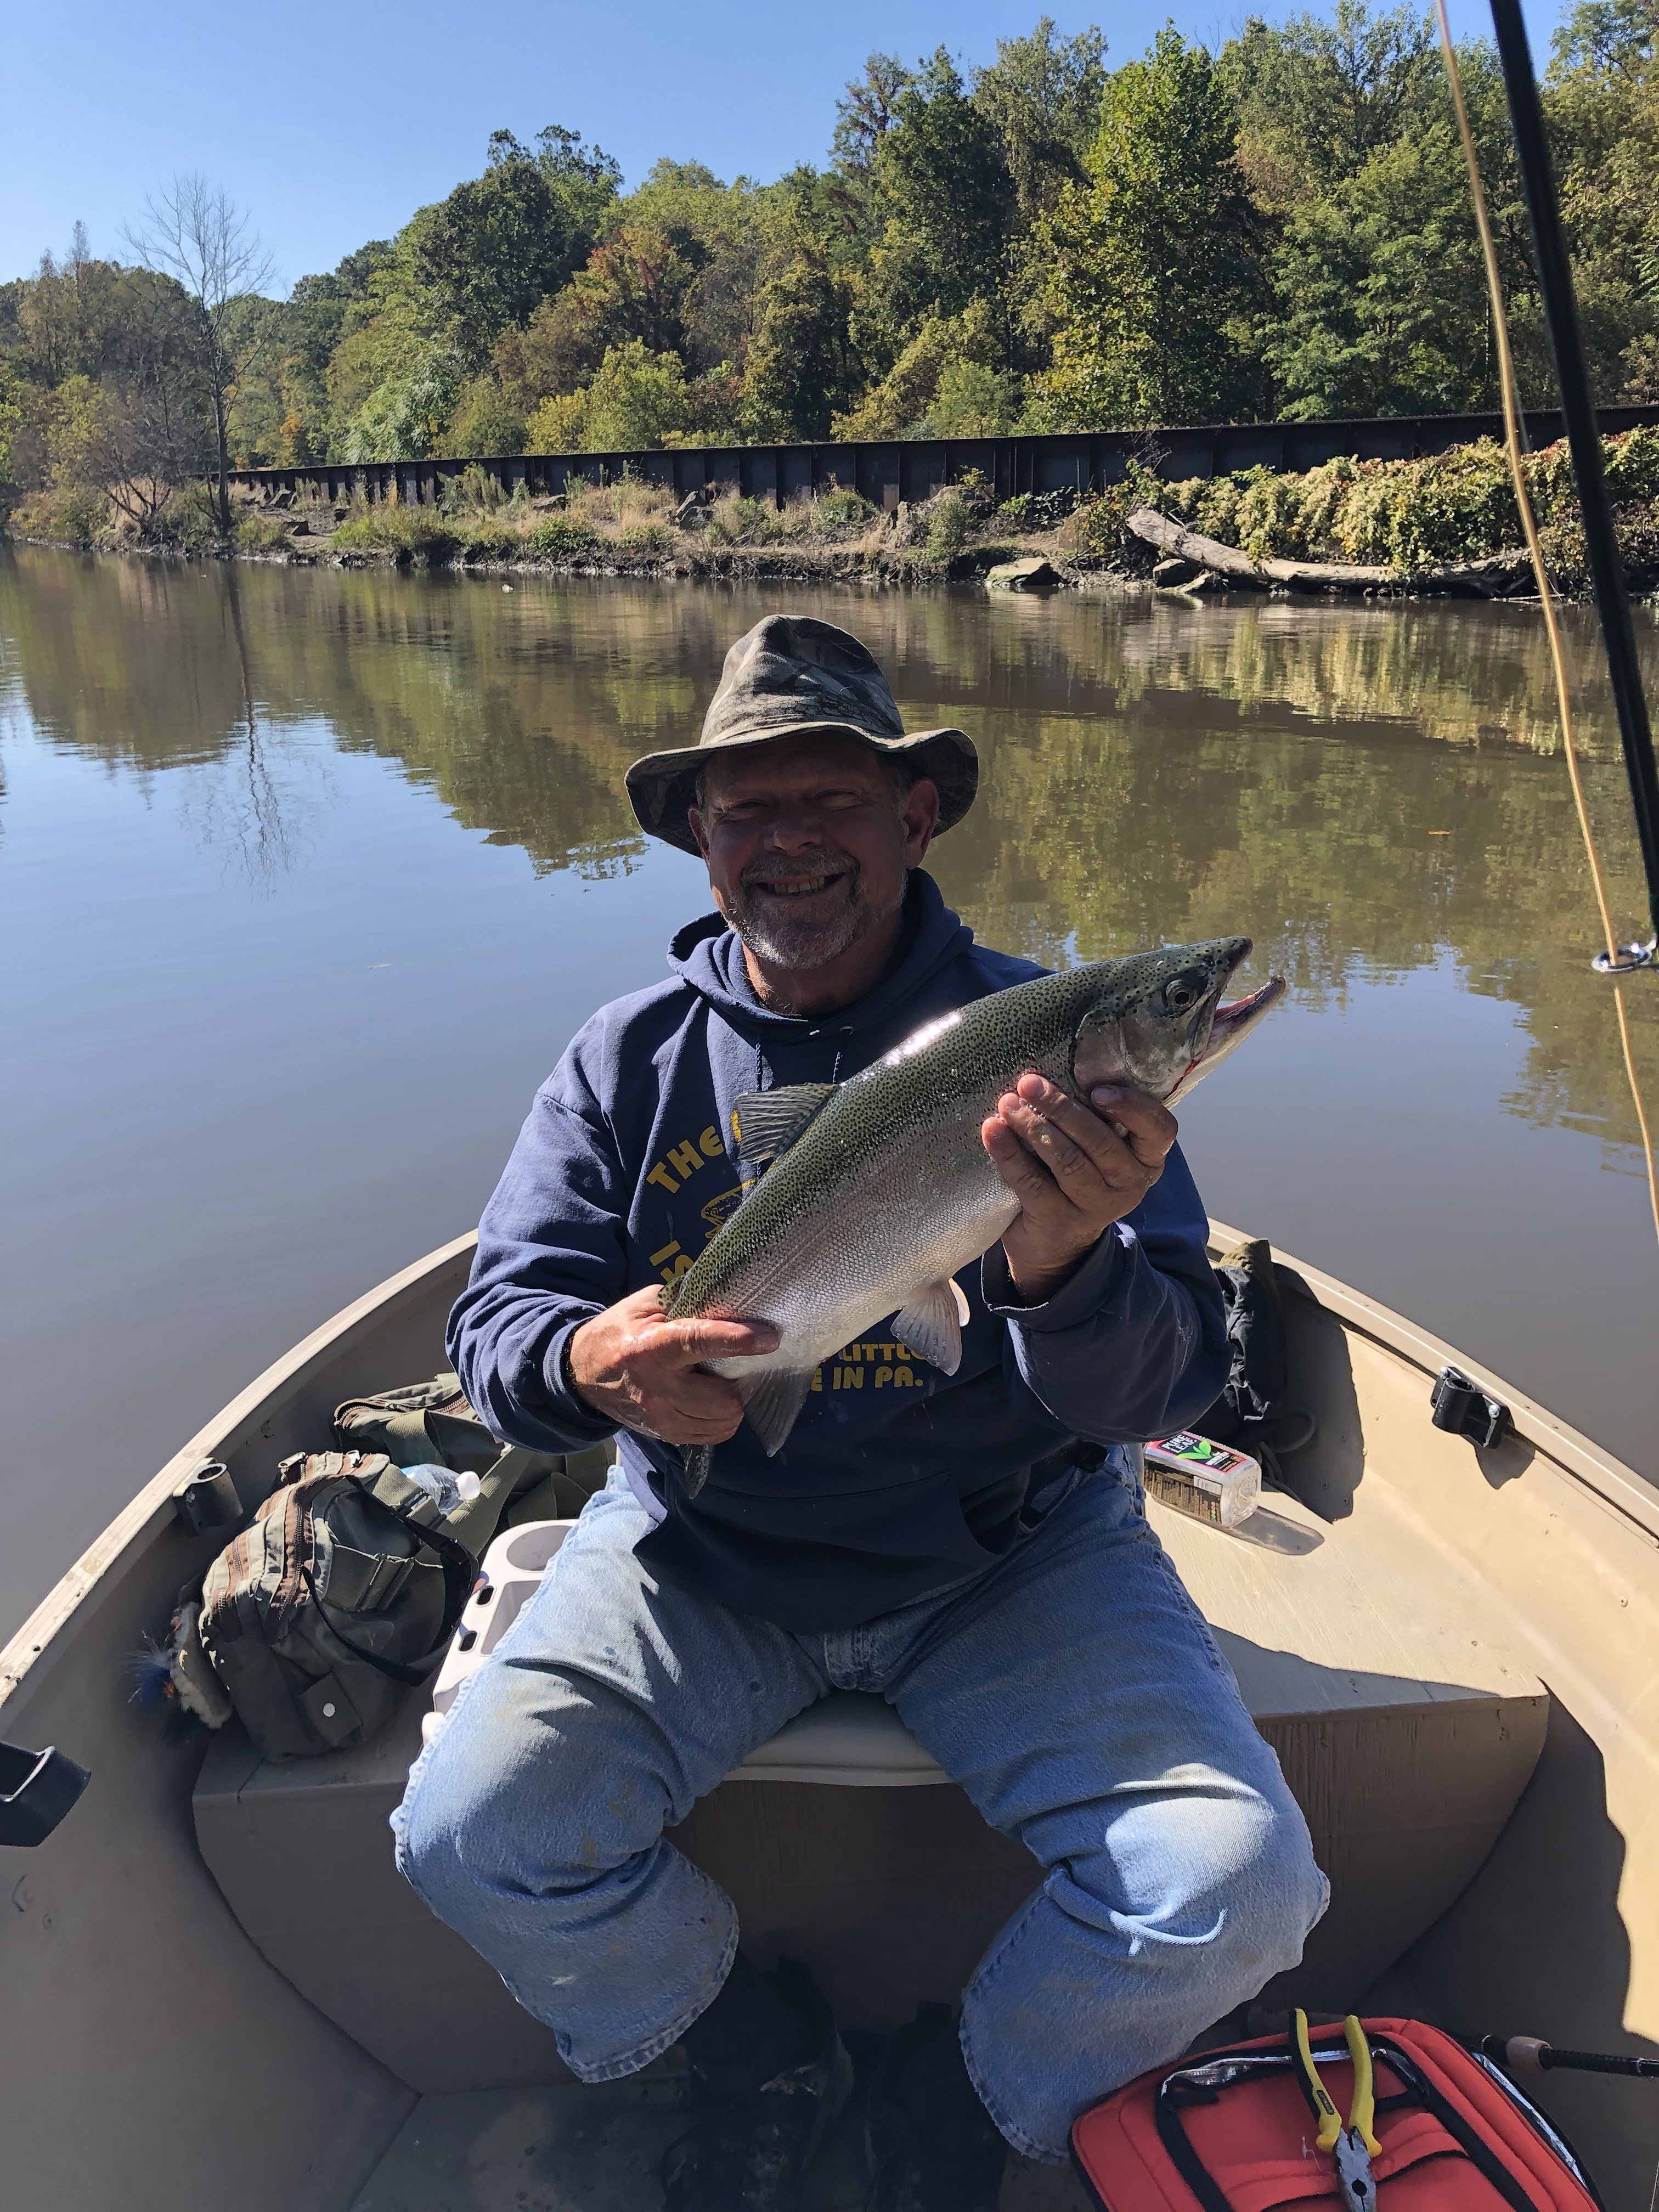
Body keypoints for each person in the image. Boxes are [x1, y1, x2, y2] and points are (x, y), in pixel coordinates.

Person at [393, 614, 1327, 2210]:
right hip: (702, 1553)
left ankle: (970, 2082)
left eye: (832, 796)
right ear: (701, 840)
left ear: (916, 816)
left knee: (1237, 1894)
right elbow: (499, 1334)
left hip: (1015, 1559)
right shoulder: (624, 1063)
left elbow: (1169, 1386)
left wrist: (1061, 1267)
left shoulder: (1049, 1060)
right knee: (473, 1838)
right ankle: (749, 2043)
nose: (790, 839)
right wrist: (591, 1368)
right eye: (748, 808)